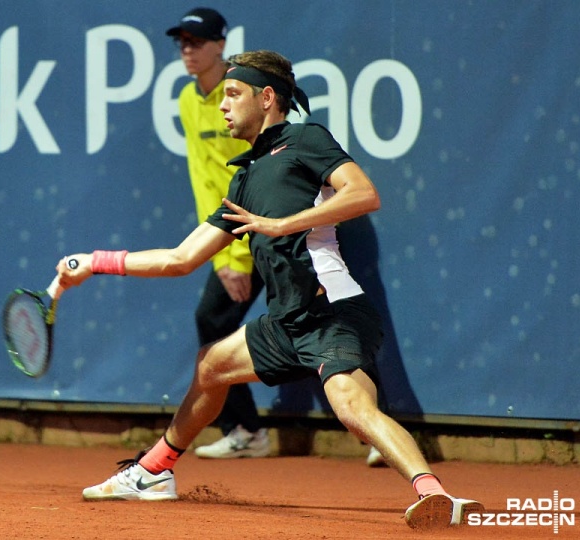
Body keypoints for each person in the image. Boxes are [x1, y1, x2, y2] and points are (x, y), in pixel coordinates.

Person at [56, 50, 483, 529]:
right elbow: (180, 260)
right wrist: (94, 262)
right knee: (211, 366)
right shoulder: (243, 180)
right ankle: (152, 472)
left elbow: (364, 193)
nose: (223, 106)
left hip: (333, 313)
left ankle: (436, 495)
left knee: (350, 406)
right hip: (285, 321)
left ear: (267, 98)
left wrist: (285, 224)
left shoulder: (305, 139)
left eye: (233, 95)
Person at [167, 7, 269, 459]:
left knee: (328, 316)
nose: (187, 50)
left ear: (220, 45)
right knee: (212, 321)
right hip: (234, 232)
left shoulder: (240, 92)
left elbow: (258, 171)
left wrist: (240, 257)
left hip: (279, 226)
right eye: (182, 42)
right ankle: (246, 429)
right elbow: (203, 179)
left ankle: (375, 424)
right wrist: (222, 255)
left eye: (196, 41)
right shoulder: (188, 100)